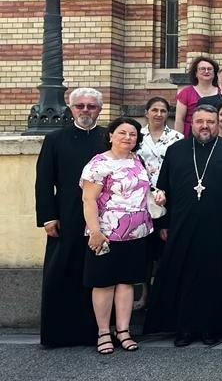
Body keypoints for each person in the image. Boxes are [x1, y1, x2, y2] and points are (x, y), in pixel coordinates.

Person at [144, 105, 222, 346]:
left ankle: (214, 329)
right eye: (200, 121)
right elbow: (163, 188)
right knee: (184, 275)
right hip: (181, 223)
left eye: (210, 121)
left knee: (215, 276)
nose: (205, 126)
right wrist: (164, 223)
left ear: (217, 124)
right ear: (191, 124)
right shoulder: (176, 150)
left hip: (220, 224)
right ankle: (184, 329)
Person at [35, 87, 107, 348]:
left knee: (95, 273)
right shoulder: (55, 139)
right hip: (65, 214)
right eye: (80, 106)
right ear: (71, 108)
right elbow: (44, 181)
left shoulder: (107, 138)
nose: (86, 110)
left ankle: (94, 333)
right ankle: (58, 334)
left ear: (99, 109)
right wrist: (48, 217)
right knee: (61, 272)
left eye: (91, 106)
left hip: (103, 216)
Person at [79, 117, 152, 354]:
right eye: (122, 133)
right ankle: (103, 332)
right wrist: (96, 231)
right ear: (110, 135)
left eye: (132, 134)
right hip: (106, 233)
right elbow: (88, 199)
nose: (128, 138)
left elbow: (145, 192)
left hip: (137, 233)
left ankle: (123, 331)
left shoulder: (138, 160)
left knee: (126, 282)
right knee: (104, 283)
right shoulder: (98, 164)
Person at [135, 96, 184, 309]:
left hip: (169, 198)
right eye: (154, 109)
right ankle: (145, 294)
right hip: (140, 199)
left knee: (165, 247)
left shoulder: (177, 137)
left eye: (163, 110)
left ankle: (165, 295)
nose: (158, 114)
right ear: (147, 112)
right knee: (145, 251)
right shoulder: (136, 136)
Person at [175, 56, 220, 136]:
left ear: (214, 73)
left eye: (210, 69)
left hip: (216, 135)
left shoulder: (221, 92)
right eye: (202, 69)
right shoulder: (186, 93)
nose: (206, 71)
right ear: (195, 73)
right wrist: (179, 140)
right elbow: (179, 119)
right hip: (191, 135)